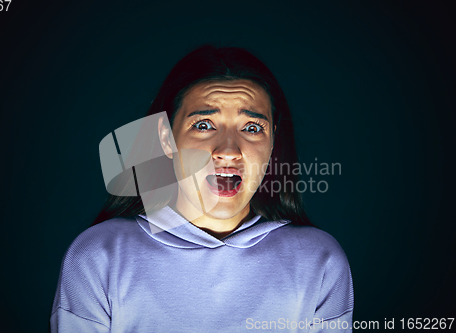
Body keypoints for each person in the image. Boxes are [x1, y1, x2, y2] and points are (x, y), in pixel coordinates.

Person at [50, 45, 354, 332]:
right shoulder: (98, 256)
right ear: (166, 138)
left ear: (272, 141)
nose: (228, 150)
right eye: (205, 124)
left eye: (251, 128)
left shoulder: (320, 261)